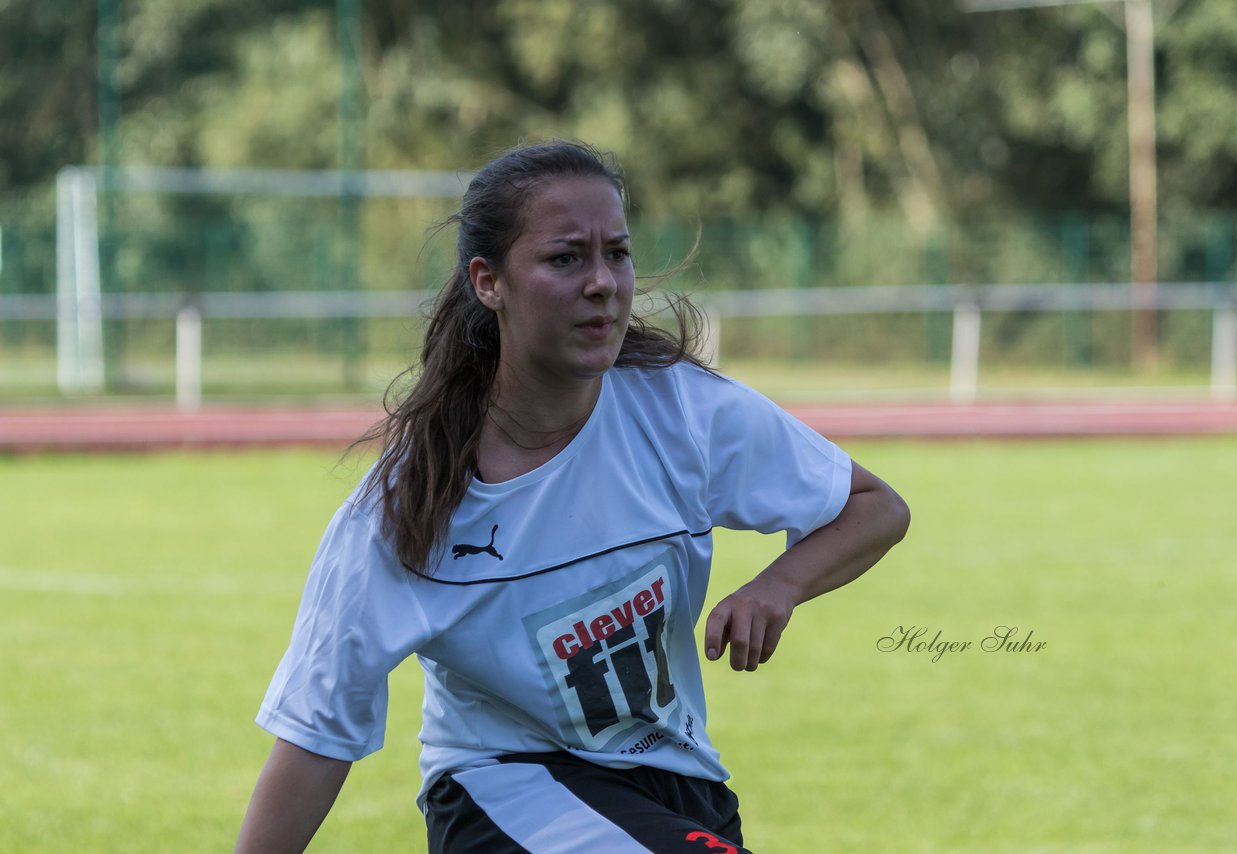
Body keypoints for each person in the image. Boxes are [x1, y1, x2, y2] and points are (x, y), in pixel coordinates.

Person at [235, 140, 909, 853]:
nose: (603, 282)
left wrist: (779, 585)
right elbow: (316, 735)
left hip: (679, 785)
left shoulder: (681, 412)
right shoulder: (406, 508)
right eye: (565, 258)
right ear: (488, 282)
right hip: (504, 790)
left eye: (616, 253)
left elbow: (874, 506)